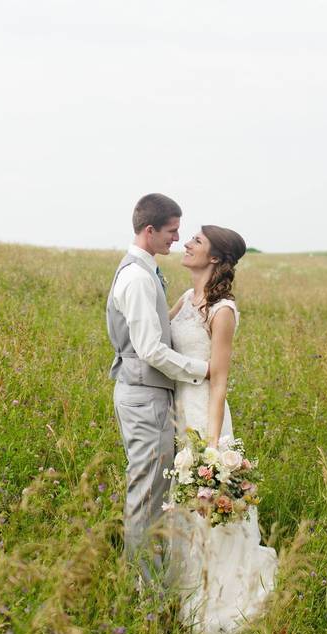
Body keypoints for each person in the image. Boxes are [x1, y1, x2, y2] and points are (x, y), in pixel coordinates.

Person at [165, 225, 277, 634]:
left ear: (213, 257)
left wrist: (212, 450)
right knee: (177, 505)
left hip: (203, 415)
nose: (187, 244)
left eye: (196, 241)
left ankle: (214, 593)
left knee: (204, 504)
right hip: (175, 409)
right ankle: (179, 586)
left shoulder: (222, 310)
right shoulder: (184, 299)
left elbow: (219, 381)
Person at [106, 194, 210, 584]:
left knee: (153, 491)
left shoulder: (144, 271)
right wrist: (202, 369)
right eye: (171, 231)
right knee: (147, 496)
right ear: (149, 231)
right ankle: (144, 592)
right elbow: (149, 349)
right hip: (143, 395)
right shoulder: (135, 277)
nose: (177, 239)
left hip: (147, 393)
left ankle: (148, 580)